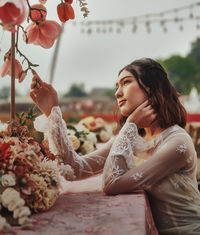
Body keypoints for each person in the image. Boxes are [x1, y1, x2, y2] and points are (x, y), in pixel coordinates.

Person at [30, 58, 200, 235]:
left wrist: (131, 124)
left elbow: (112, 184)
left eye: (126, 82)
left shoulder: (177, 142)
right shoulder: (133, 136)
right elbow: (76, 169)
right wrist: (52, 111)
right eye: (116, 86)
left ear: (151, 87)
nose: (118, 93)